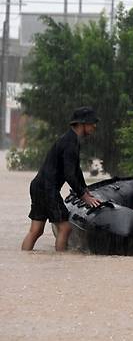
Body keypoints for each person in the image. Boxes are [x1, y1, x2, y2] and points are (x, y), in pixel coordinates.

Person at [21, 106, 102, 252]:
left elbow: (76, 170)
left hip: (39, 186)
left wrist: (85, 189)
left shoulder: (71, 139)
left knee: (36, 230)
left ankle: (25, 258)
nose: (94, 126)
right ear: (81, 124)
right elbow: (69, 174)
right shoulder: (70, 143)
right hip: (47, 189)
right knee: (65, 228)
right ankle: (60, 264)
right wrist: (83, 196)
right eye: (91, 123)